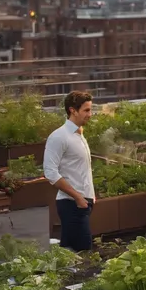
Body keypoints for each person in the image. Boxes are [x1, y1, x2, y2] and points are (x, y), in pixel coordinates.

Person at [43, 91, 95, 252]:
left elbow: (80, 169)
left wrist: (90, 195)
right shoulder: (59, 137)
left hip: (82, 203)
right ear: (73, 110)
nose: (90, 114)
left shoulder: (78, 134)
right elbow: (50, 173)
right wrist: (78, 197)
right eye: (86, 110)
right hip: (71, 204)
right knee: (84, 252)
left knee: (70, 252)